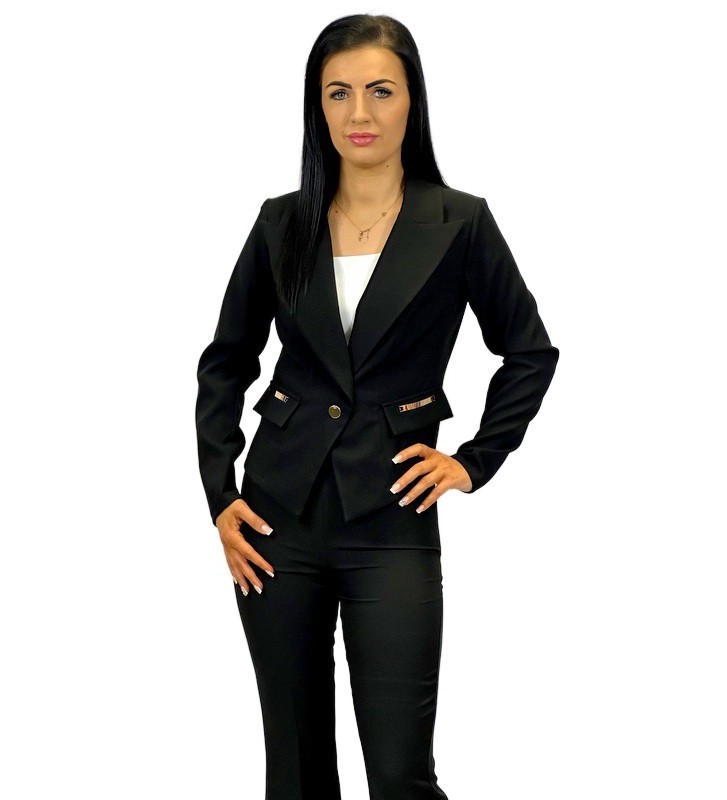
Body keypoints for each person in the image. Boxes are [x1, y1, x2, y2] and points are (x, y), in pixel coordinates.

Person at [195, 13, 559, 800]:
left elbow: (528, 353)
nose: (358, 113)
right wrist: (219, 496)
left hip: (392, 517)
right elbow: (225, 362)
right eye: (338, 93)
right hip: (275, 521)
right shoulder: (280, 222)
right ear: (317, 106)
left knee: (400, 776)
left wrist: (471, 462)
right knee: (294, 773)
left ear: (411, 101)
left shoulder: (459, 221)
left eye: (380, 91)